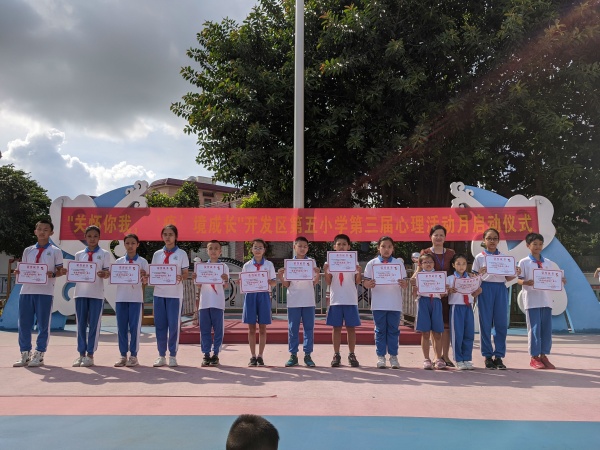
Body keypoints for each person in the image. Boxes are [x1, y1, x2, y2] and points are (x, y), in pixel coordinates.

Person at [13, 219, 65, 368]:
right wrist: (19, 272)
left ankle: (40, 354)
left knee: (43, 325)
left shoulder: (55, 251)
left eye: (46, 229)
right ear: (35, 231)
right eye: (40, 229)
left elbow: (60, 271)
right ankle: (25, 353)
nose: (42, 232)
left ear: (51, 232)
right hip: (26, 291)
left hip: (45, 292)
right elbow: (24, 268)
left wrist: (53, 274)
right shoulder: (28, 250)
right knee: (24, 324)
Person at [517, 232, 566, 369]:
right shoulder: (524, 262)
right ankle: (534, 357)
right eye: (535, 244)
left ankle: (544, 355)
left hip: (547, 301)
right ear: (528, 245)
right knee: (534, 329)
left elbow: (554, 279)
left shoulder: (548, 263)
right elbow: (519, 279)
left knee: (546, 330)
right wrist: (526, 282)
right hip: (532, 301)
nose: (538, 246)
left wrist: (561, 281)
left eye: (540, 244)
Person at [471, 228, 518, 370]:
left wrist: (515, 273)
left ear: (498, 240)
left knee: (501, 323)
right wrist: (480, 273)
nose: (492, 241)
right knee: (485, 323)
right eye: (489, 238)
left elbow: (508, 277)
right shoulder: (479, 257)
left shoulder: (504, 257)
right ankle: (487, 356)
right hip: (485, 288)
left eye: (495, 238)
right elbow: (474, 278)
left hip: (500, 289)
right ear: (484, 240)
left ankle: (499, 356)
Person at [363, 236, 408, 369]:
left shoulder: (398, 263)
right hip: (378, 303)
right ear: (378, 248)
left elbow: (405, 283)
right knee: (380, 330)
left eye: (389, 247)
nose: (386, 249)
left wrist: (404, 283)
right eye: (383, 246)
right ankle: (381, 356)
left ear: (393, 248)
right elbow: (365, 283)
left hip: (394, 303)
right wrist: (369, 284)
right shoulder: (372, 263)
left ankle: (393, 357)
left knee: (393, 331)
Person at [277, 236, 319, 367]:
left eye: (305, 246)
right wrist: (280, 276)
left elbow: (314, 282)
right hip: (294, 300)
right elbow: (287, 284)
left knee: (309, 328)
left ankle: (308, 355)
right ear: (294, 247)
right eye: (299, 246)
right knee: (293, 328)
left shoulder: (311, 262)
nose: (302, 249)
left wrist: (318, 274)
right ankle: (293, 355)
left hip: (308, 300)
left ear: (308, 248)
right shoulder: (289, 263)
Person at [72, 225, 111, 367]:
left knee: (94, 325)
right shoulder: (79, 254)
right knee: (80, 325)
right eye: (89, 236)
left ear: (99, 237)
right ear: (85, 237)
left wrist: (104, 274)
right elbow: (75, 271)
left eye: (95, 236)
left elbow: (107, 273)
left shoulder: (105, 254)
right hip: (80, 293)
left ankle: (90, 354)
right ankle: (81, 354)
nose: (92, 239)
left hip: (96, 294)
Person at [151, 224, 189, 368]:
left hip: (174, 295)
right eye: (165, 234)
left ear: (176, 236)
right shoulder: (157, 254)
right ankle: (161, 355)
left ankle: (172, 355)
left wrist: (181, 277)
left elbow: (185, 273)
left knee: (173, 325)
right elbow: (153, 272)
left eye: (170, 234)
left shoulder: (181, 254)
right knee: (160, 325)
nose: (168, 237)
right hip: (159, 293)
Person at [419, 225, 456, 367]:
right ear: (431, 237)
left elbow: (456, 271)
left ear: (445, 237)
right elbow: (419, 270)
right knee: (432, 327)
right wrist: (414, 281)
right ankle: (436, 356)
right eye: (436, 235)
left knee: (444, 326)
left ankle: (445, 356)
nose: (439, 237)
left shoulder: (451, 253)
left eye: (441, 235)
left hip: (446, 293)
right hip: (430, 295)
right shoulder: (426, 252)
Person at [324, 234, 362, 368]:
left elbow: (357, 281)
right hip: (336, 299)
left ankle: (352, 354)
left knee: (351, 328)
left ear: (349, 247)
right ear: (334, 246)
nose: (341, 247)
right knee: (336, 328)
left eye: (344, 244)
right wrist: (326, 271)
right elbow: (328, 281)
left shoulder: (354, 262)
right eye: (339, 244)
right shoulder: (329, 262)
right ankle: (336, 354)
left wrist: (359, 272)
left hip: (350, 299)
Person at [112, 234, 149, 367]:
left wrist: (144, 276)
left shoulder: (143, 262)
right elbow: (114, 278)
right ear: (124, 245)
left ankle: (133, 355)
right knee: (121, 328)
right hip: (121, 298)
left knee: (134, 328)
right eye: (127, 243)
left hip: (136, 299)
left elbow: (146, 281)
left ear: (137, 244)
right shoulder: (119, 262)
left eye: (133, 243)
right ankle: (123, 355)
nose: (130, 246)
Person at [241, 239, 277, 367]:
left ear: (264, 250)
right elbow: (244, 281)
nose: (258, 250)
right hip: (250, 296)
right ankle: (252, 356)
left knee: (262, 328)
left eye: (260, 247)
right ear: (251, 250)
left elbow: (274, 281)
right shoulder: (247, 265)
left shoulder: (269, 265)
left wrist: (270, 282)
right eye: (255, 247)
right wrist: (242, 283)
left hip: (263, 295)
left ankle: (260, 356)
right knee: (251, 328)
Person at [195, 240, 229, 367]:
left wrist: (226, 279)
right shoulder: (202, 267)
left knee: (218, 330)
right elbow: (199, 285)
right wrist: (195, 278)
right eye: (211, 248)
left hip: (218, 302)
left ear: (220, 251)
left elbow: (225, 285)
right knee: (204, 330)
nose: (213, 251)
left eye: (216, 248)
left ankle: (215, 354)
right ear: (207, 251)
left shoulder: (224, 267)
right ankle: (206, 354)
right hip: (204, 302)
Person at [446, 254, 481, 370]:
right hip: (456, 307)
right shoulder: (450, 278)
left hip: (468, 307)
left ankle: (467, 358)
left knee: (469, 333)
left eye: (464, 264)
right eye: (458, 264)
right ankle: (458, 359)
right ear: (453, 265)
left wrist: (478, 291)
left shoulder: (471, 278)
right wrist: (449, 290)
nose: (461, 266)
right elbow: (444, 292)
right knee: (458, 334)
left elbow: (473, 294)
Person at [413, 253, 445, 369]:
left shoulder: (440, 276)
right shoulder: (418, 276)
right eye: (425, 262)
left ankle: (438, 358)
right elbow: (414, 294)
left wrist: (444, 289)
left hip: (436, 302)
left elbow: (443, 294)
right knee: (425, 333)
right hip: (423, 302)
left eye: (430, 262)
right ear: (421, 264)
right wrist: (415, 289)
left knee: (437, 333)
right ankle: (426, 359)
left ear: (434, 263)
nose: (428, 264)